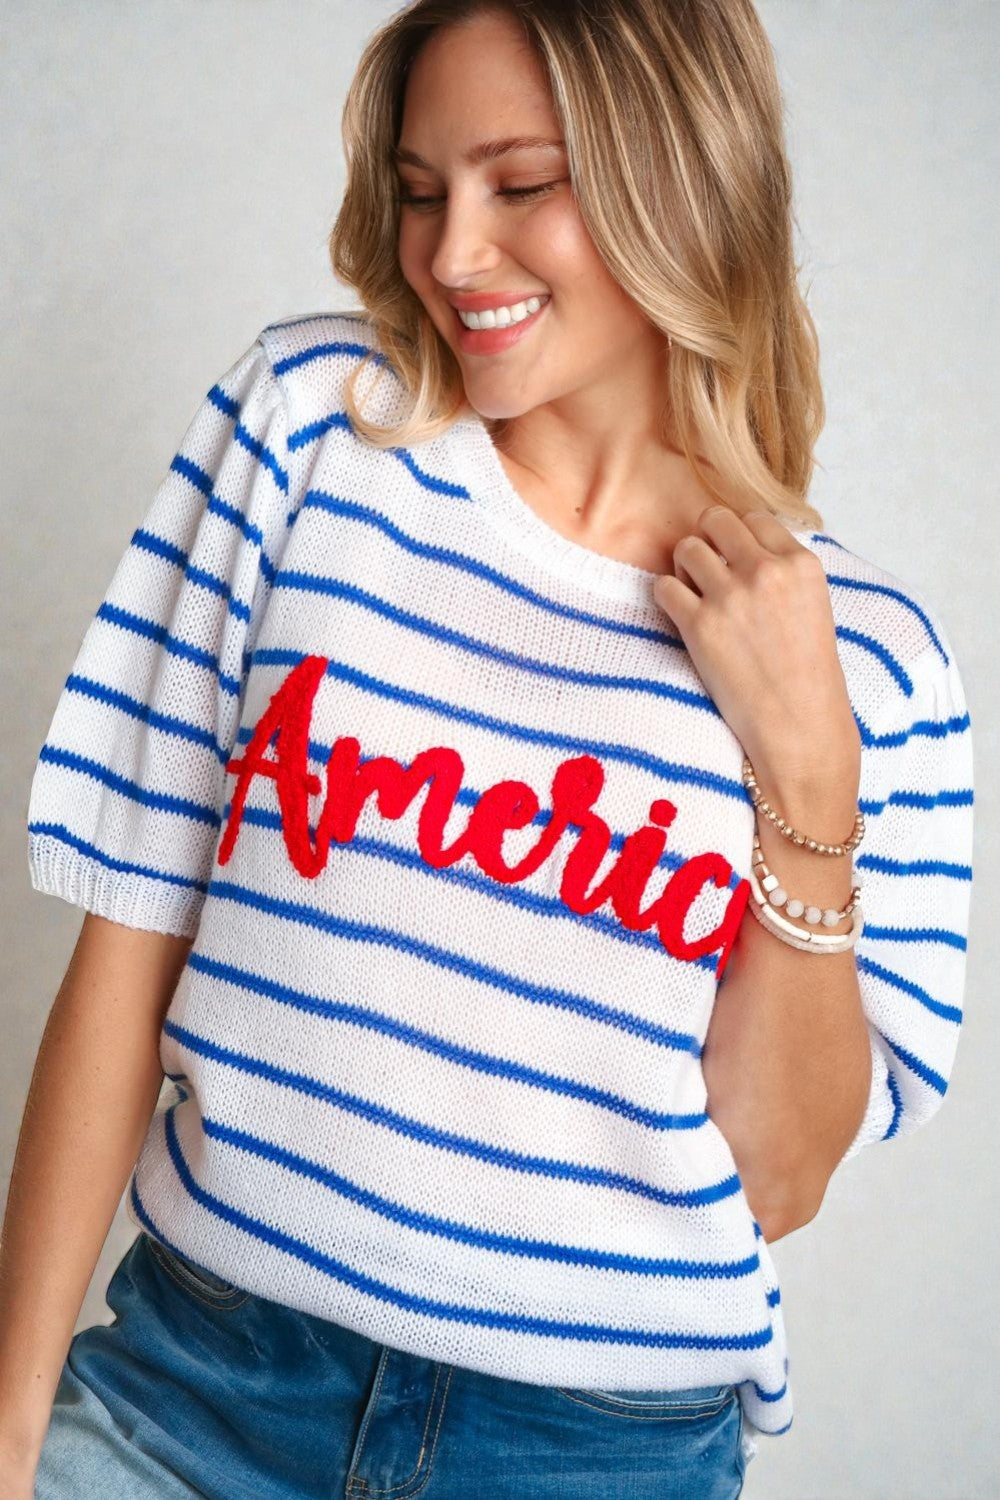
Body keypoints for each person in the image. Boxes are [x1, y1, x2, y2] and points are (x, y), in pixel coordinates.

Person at [0, 2, 974, 1497]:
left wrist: (811, 777)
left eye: (521, 186)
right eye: (418, 189)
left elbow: (779, 1173)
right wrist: (9, 1422)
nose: (454, 254)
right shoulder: (308, 435)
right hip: (196, 1393)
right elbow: (128, 944)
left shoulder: (872, 660)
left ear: (683, 181)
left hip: (590, 1458)